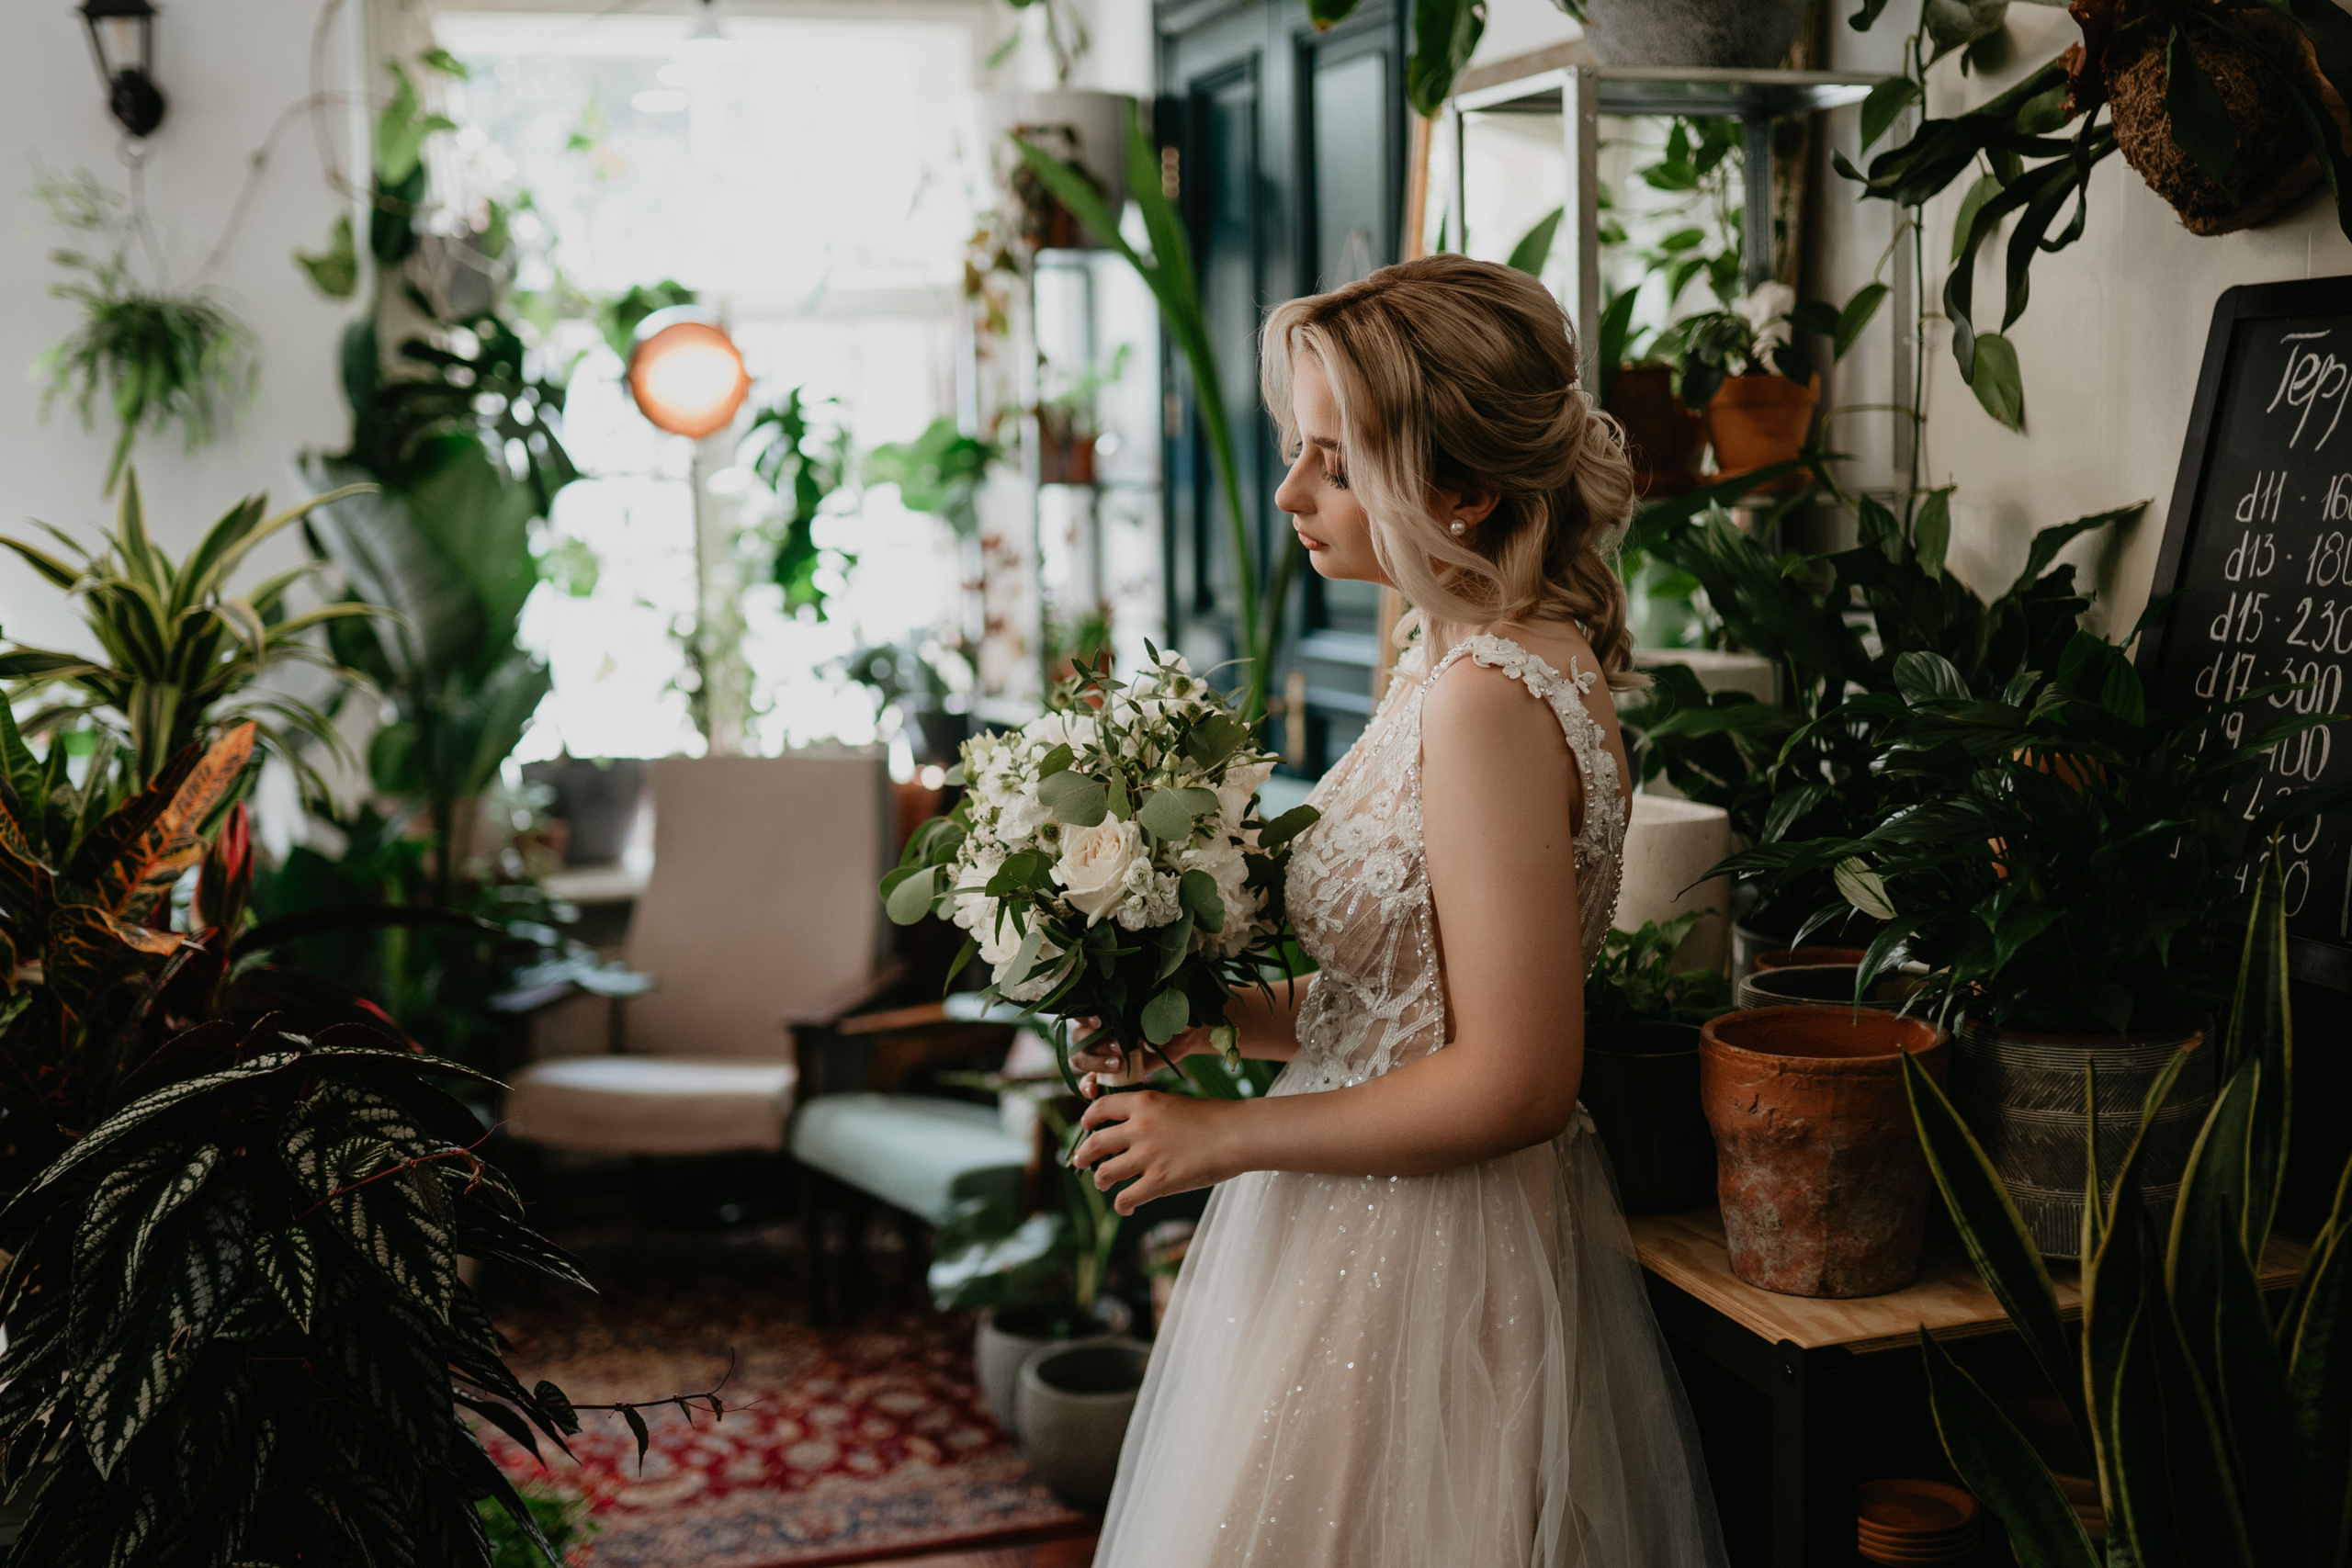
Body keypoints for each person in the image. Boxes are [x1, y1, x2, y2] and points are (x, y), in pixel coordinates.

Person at [1066, 254, 1728, 1567]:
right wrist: (1215, 1021)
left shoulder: (1486, 698)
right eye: (1297, 451)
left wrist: (1223, 1138)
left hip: (1424, 1253)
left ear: (1464, 491)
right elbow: (1404, 1003)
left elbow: (1517, 1081)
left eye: (1336, 461)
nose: (1290, 493)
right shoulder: (1453, 649)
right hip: (1359, 1218)